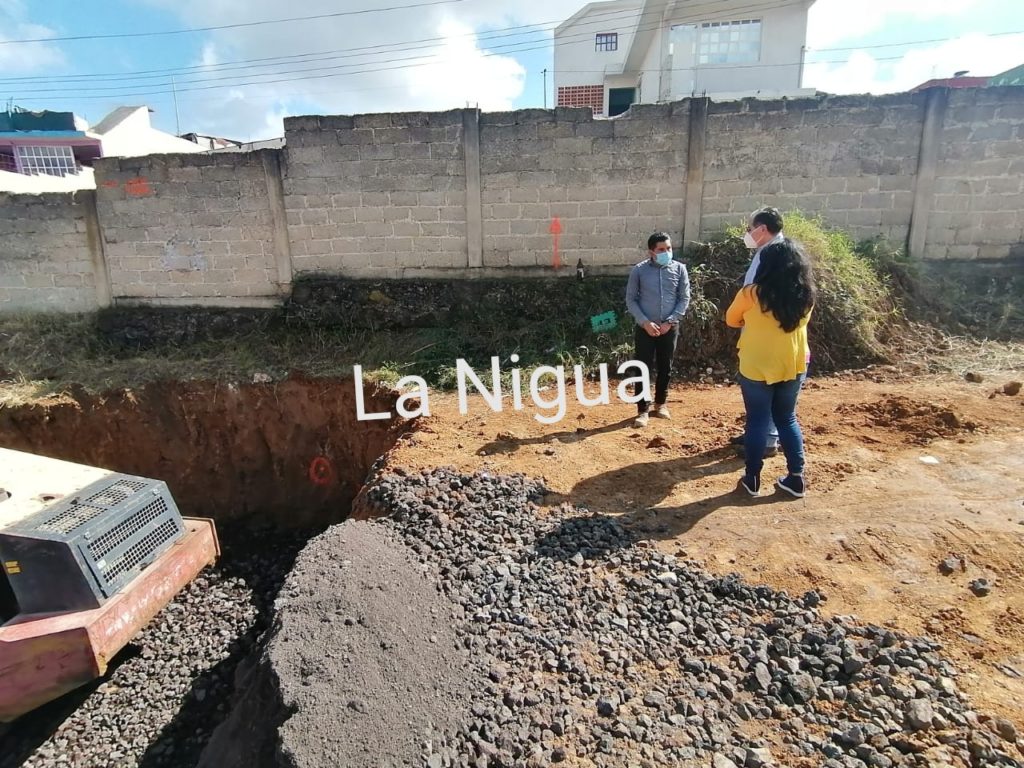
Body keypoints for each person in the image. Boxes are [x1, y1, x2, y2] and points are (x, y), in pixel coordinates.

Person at [725, 237, 815, 497]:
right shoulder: (806, 295)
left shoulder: (751, 294)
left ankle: (752, 479)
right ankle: (796, 479)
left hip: (757, 365)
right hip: (794, 363)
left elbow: (732, 319)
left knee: (757, 421)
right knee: (787, 418)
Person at [731, 206, 786, 456]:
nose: (748, 233)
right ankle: (757, 433)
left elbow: (760, 295)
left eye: (750, 228)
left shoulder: (777, 254)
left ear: (762, 229)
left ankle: (767, 440)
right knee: (757, 387)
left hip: (769, 335)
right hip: (757, 331)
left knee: (767, 385)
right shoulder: (766, 250)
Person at [625, 232, 691, 428]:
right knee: (642, 367)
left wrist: (670, 322)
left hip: (669, 328)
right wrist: (645, 322)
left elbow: (684, 298)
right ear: (651, 252)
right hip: (645, 327)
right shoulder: (639, 271)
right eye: (661, 249)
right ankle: (642, 410)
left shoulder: (680, 270)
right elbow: (631, 299)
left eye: (669, 248)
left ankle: (661, 404)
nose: (666, 252)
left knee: (665, 366)